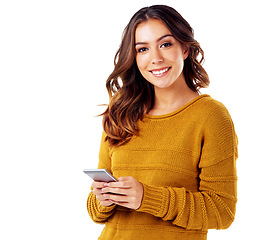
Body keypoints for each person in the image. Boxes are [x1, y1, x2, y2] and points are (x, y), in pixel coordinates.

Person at [87, 5, 238, 240]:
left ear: (185, 48)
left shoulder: (211, 116)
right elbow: (96, 213)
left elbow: (222, 211)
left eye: (165, 44)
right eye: (143, 49)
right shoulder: (121, 112)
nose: (155, 59)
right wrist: (102, 199)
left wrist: (147, 197)